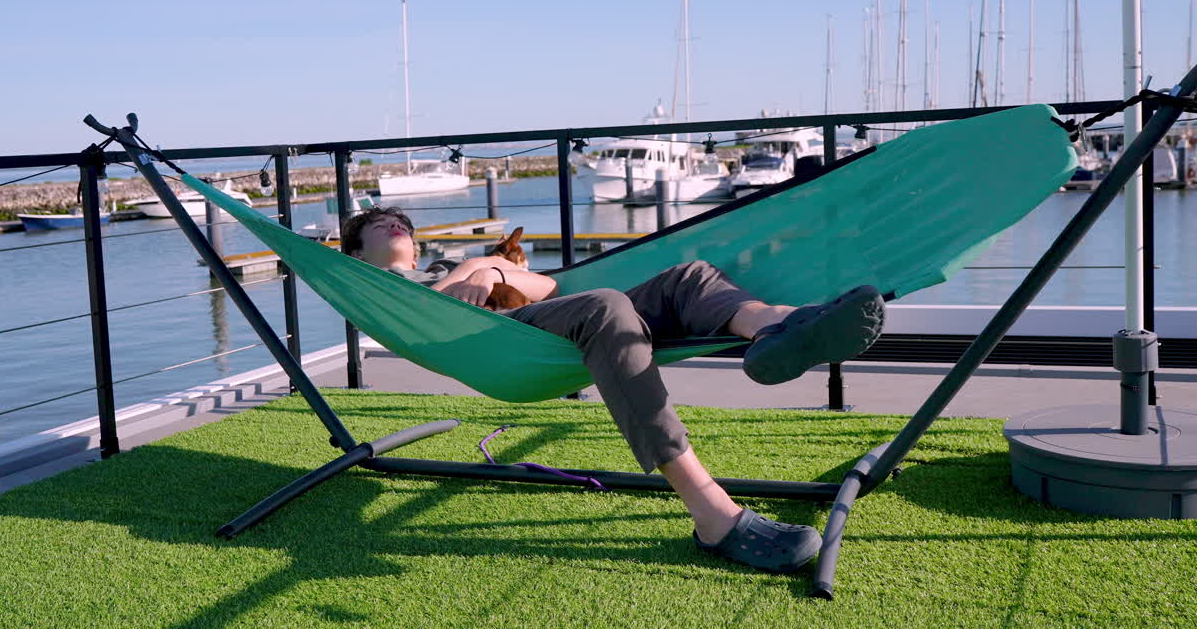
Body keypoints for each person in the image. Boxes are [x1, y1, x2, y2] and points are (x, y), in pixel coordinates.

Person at [342, 206, 885, 573]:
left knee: (687, 278)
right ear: (355, 256)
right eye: (379, 224)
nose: (393, 224)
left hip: (531, 322)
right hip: (498, 343)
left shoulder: (443, 265)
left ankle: (777, 327)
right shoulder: (377, 289)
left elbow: (547, 285)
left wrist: (488, 271)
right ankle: (714, 517)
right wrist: (478, 270)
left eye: (399, 222)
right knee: (606, 305)